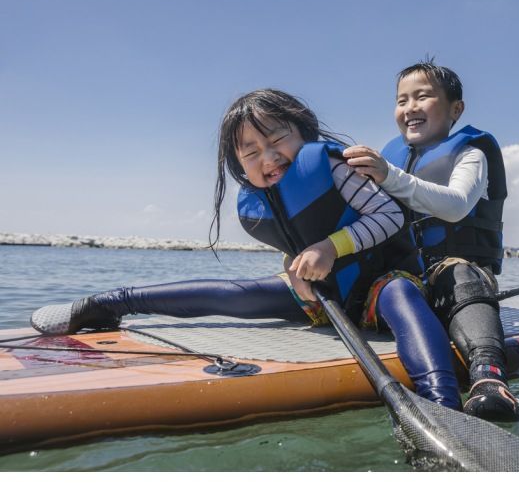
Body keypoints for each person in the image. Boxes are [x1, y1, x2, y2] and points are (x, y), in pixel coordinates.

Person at [30, 88, 461, 410]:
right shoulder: (259, 201)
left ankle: (442, 403)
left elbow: (390, 218)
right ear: (239, 166)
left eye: (277, 140)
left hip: (381, 286)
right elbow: (295, 239)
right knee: (232, 295)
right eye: (251, 152)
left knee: (401, 295)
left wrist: (331, 247)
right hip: (323, 298)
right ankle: (110, 303)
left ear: (303, 134)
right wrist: (297, 266)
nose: (269, 157)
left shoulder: (333, 166)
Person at [343, 60, 519, 421]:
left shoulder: (471, 153)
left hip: (457, 277)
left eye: (422, 97)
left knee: (457, 272)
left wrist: (388, 175)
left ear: (455, 109)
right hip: (405, 280)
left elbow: (455, 206)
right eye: (401, 100)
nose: (409, 108)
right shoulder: (390, 156)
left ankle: (489, 377)